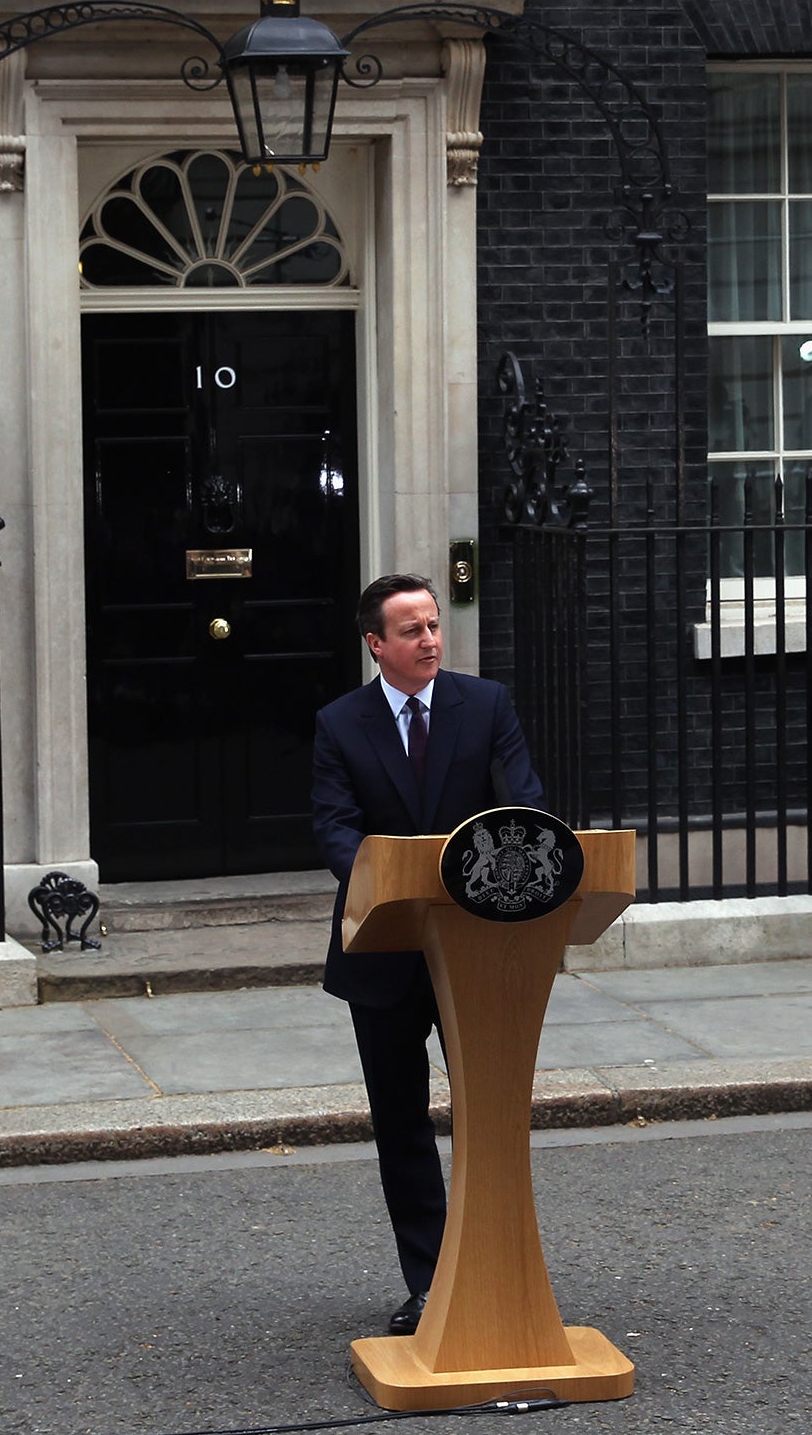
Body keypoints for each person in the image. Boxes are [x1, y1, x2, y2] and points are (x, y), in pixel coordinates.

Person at [310, 573, 543, 1337]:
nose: (431, 641)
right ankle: (430, 1283)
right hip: (383, 952)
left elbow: (525, 810)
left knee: (489, 1114)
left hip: (479, 948)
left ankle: (497, 1270)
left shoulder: (487, 705)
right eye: (411, 631)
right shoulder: (340, 724)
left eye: (435, 626)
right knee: (402, 1123)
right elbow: (335, 829)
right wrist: (385, 877)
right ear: (376, 644)